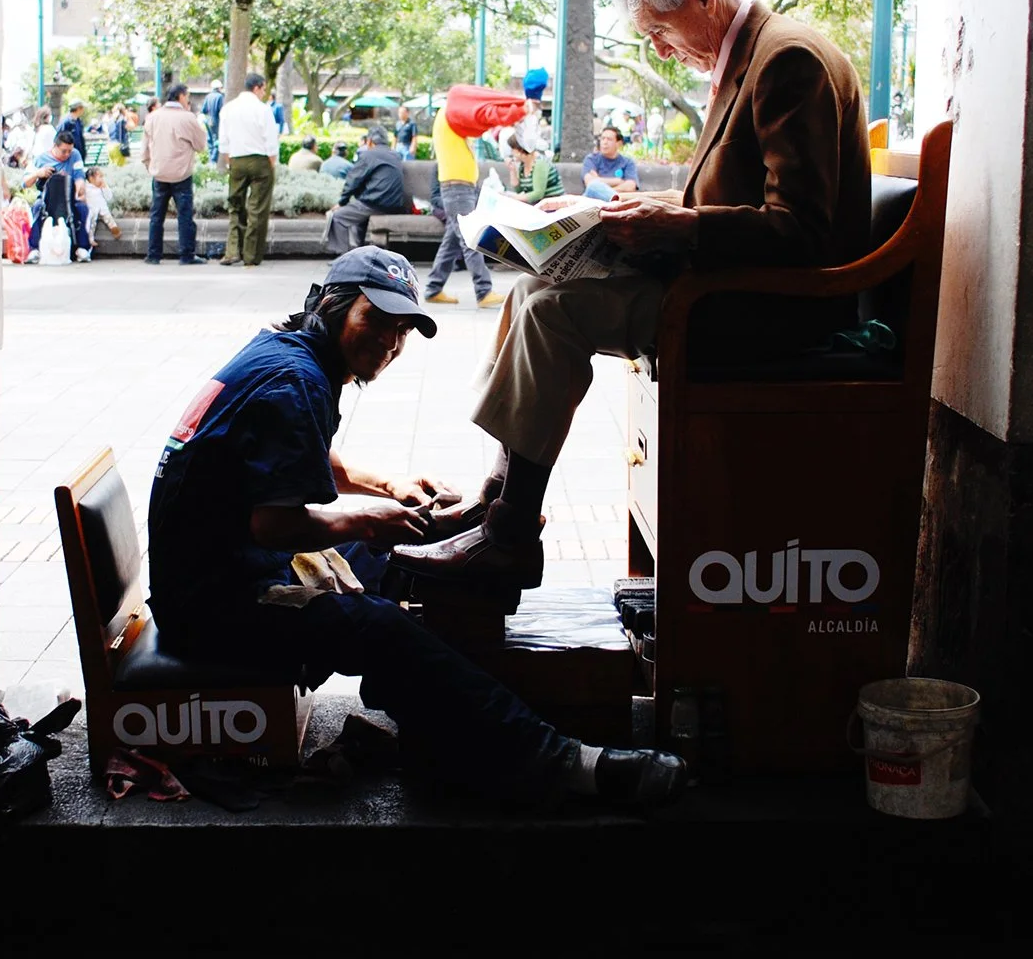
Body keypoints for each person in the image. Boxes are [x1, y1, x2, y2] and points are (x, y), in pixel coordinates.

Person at [393, 0, 872, 587]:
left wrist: (680, 226)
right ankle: (499, 500)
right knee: (532, 291)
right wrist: (628, 208)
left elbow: (803, 230)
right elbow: (728, 194)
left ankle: (509, 537)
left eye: (659, 32)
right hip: (732, 284)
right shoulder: (754, 56)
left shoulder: (789, 62)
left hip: (773, 307)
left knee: (555, 313)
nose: (661, 51)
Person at [146, 246, 687, 807]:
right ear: (332, 305)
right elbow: (275, 525)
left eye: (402, 330)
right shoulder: (295, 381)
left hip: (222, 572)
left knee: (408, 557)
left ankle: (453, 714)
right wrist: (366, 518)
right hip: (217, 607)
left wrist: (388, 490)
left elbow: (292, 456)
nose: (389, 341)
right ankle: (560, 762)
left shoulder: (286, 354)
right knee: (379, 625)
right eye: (375, 320)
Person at [425, 84, 527, 309]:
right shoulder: (448, 117)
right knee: (469, 239)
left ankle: (433, 287)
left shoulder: (452, 123)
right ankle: (483, 291)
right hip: (457, 188)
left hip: (459, 188)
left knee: (452, 241)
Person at [143, 80, 210, 265]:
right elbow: (201, 145)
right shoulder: (187, 118)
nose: (188, 100)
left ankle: (153, 254)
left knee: (156, 216)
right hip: (181, 173)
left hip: (159, 173)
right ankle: (186, 255)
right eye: (187, 96)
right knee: (185, 215)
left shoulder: (153, 117)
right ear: (181, 96)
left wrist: (150, 166)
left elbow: (145, 149)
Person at [219, 72, 280, 268]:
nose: (264, 93)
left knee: (235, 206)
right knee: (257, 209)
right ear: (257, 87)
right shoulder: (263, 110)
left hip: (236, 160)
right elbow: (271, 142)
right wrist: (271, 164)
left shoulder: (228, 109)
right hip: (260, 160)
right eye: (263, 89)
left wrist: (231, 161)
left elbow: (223, 143)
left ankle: (231, 251)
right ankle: (251, 256)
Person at [324, 126, 412, 255]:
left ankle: (344, 256)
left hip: (376, 203)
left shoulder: (369, 154)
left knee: (338, 217)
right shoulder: (395, 154)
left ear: (369, 141)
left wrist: (342, 202)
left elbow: (353, 180)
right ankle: (358, 252)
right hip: (395, 204)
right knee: (360, 214)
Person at [22, 134, 92, 264]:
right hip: (47, 199)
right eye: (63, 151)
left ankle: (82, 248)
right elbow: (25, 182)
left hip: (70, 197)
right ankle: (34, 249)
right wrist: (38, 173)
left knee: (82, 208)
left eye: (69, 151)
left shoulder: (75, 155)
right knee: (37, 207)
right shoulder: (40, 159)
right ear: (55, 146)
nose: (67, 154)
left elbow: (79, 177)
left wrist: (80, 189)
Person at [504, 128, 565, 204]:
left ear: (521, 150)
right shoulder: (523, 164)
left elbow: (538, 194)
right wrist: (512, 171)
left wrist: (510, 197)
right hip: (538, 205)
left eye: (513, 149)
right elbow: (520, 191)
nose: (511, 153)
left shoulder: (540, 163)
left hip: (552, 205)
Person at [582, 125, 640, 201]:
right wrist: (618, 181)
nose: (604, 142)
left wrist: (601, 187)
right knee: (593, 186)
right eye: (602, 139)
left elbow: (630, 186)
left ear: (618, 143)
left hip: (617, 202)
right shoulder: (591, 159)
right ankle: (614, 198)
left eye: (609, 139)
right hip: (592, 201)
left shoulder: (627, 162)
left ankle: (613, 198)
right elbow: (590, 182)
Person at [200, 79, 225, 163]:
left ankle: (210, 158)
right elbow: (221, 110)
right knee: (217, 141)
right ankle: (213, 161)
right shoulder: (220, 97)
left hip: (208, 121)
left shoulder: (208, 96)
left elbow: (203, 110)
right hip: (216, 122)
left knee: (210, 141)